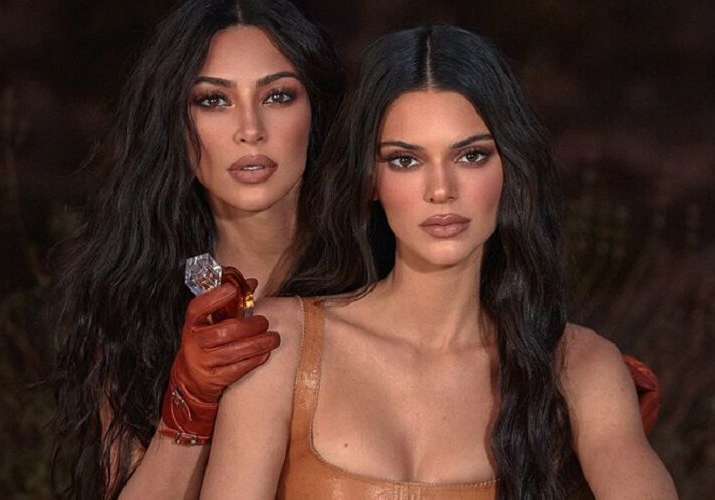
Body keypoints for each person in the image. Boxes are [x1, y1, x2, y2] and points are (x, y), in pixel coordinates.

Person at [200, 25, 678, 499]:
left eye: (471, 156)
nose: (441, 189)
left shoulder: (578, 365)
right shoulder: (279, 342)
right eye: (405, 160)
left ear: (511, 167)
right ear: (370, 179)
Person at [50, 1, 344, 498]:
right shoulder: (133, 298)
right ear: (173, 122)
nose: (250, 129)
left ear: (315, 110)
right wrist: (188, 406)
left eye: (277, 95)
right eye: (213, 100)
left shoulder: (375, 271)